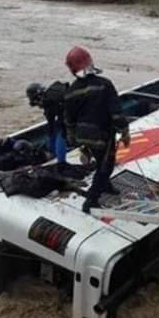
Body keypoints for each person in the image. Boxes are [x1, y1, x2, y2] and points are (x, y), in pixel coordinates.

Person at [63, 47, 130, 211]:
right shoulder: (104, 84)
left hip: (83, 135)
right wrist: (124, 131)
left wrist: (72, 138)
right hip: (102, 134)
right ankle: (91, 200)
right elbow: (116, 113)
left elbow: (69, 119)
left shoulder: (71, 91)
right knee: (106, 166)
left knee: (101, 160)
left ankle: (106, 186)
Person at [26, 81, 69, 164]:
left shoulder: (53, 101)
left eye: (37, 103)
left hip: (78, 113)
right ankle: (54, 151)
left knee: (62, 131)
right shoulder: (50, 98)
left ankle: (61, 162)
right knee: (56, 129)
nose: (39, 106)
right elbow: (51, 124)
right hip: (69, 111)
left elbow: (62, 123)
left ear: (39, 97)